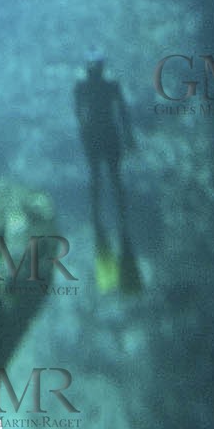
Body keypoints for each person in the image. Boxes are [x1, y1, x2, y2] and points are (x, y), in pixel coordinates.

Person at [73, 51, 141, 291]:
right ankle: (113, 219)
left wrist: (84, 132)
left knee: (102, 178)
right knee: (109, 178)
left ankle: (100, 219)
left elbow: (80, 114)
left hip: (97, 136)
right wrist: (129, 136)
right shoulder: (109, 86)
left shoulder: (84, 87)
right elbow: (121, 113)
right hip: (107, 135)